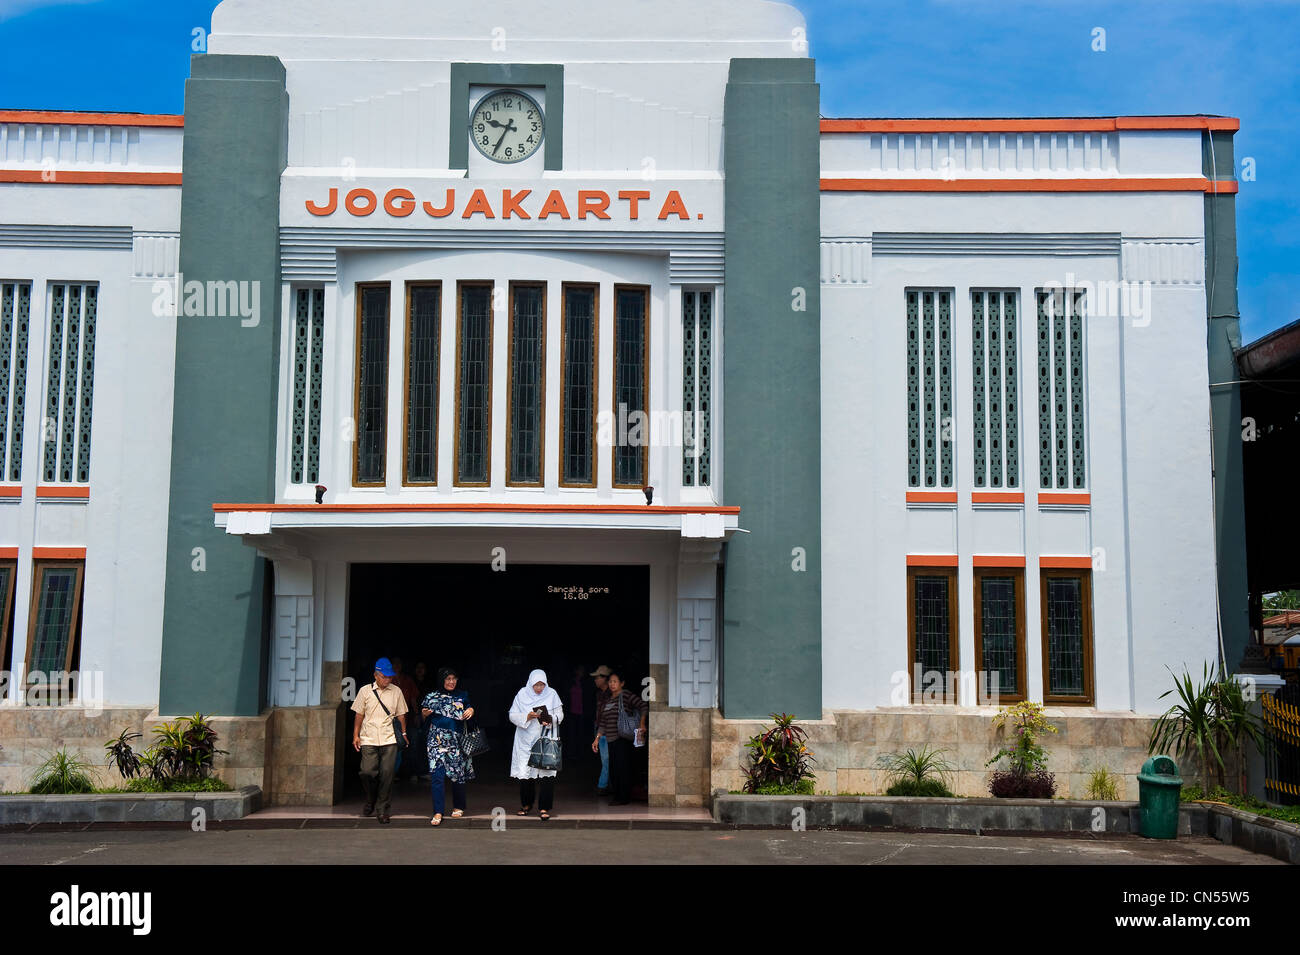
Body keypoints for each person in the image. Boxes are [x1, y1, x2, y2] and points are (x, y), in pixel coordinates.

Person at [351, 657, 409, 824]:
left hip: (389, 738)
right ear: (376, 675)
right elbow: (359, 715)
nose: (388, 679)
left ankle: (382, 809)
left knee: (387, 775)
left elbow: (401, 715)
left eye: (390, 676)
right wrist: (356, 735)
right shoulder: (365, 691)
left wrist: (404, 733)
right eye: (384, 676)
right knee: (367, 772)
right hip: (368, 738)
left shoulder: (396, 691)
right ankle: (371, 799)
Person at [420, 667, 475, 826]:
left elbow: (469, 710)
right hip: (436, 740)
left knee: (458, 775)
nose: (451, 682)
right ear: (442, 680)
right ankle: (438, 811)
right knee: (437, 776)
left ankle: (458, 806)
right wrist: (424, 714)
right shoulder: (431, 696)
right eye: (448, 679)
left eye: (454, 679)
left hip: (455, 741)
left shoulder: (462, 695)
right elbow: (422, 717)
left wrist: (471, 709)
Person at [508, 668, 564, 820]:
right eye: (536, 685)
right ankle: (526, 805)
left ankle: (544, 807)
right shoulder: (522, 694)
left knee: (547, 772)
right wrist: (526, 716)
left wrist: (549, 718)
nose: (539, 688)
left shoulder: (552, 694)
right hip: (525, 739)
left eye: (542, 685)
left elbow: (560, 715)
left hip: (545, 737)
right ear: (531, 683)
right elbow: (512, 715)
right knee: (526, 773)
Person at [592, 667, 647, 806]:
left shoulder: (626, 695)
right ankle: (618, 796)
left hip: (622, 738)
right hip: (610, 740)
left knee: (622, 768)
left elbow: (643, 705)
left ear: (622, 683)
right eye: (610, 681)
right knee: (614, 769)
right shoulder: (609, 700)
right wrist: (597, 738)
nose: (612, 684)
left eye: (615, 681)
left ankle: (623, 797)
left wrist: (642, 724)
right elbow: (603, 722)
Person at [392, 656, 421, 781]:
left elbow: (413, 698)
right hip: (393, 719)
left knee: (412, 745)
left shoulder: (407, 679)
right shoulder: (388, 680)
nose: (397, 665)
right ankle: (393, 774)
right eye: (394, 663)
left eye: (399, 663)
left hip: (408, 717)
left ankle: (412, 772)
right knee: (397, 747)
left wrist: (416, 714)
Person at [590, 665, 612, 794]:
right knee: (605, 759)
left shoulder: (611, 694)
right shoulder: (599, 694)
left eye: (597, 677)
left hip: (607, 731)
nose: (595, 680)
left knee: (606, 759)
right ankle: (605, 784)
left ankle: (602, 785)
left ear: (604, 678)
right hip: (599, 728)